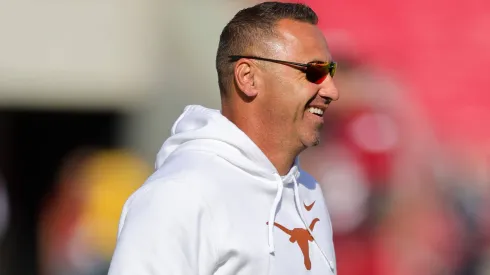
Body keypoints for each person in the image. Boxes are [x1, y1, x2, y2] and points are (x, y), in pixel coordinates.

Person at [108, 2, 339, 275]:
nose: (332, 91)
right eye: (314, 72)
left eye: (330, 71)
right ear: (247, 77)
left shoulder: (309, 191)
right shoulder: (178, 196)